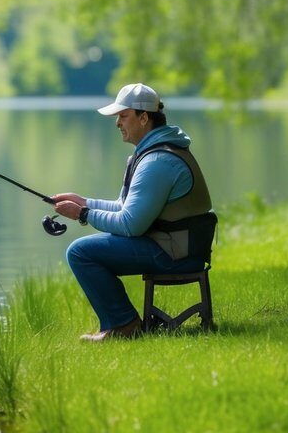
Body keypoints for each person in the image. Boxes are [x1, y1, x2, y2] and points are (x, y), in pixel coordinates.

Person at [51, 83, 217, 341]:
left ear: (143, 118)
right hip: (174, 246)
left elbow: (131, 225)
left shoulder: (158, 161)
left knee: (80, 252)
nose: (117, 122)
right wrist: (84, 202)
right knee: (84, 250)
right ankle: (123, 323)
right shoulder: (150, 154)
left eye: (123, 115)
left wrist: (82, 214)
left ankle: (124, 325)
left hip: (176, 253)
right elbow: (125, 207)